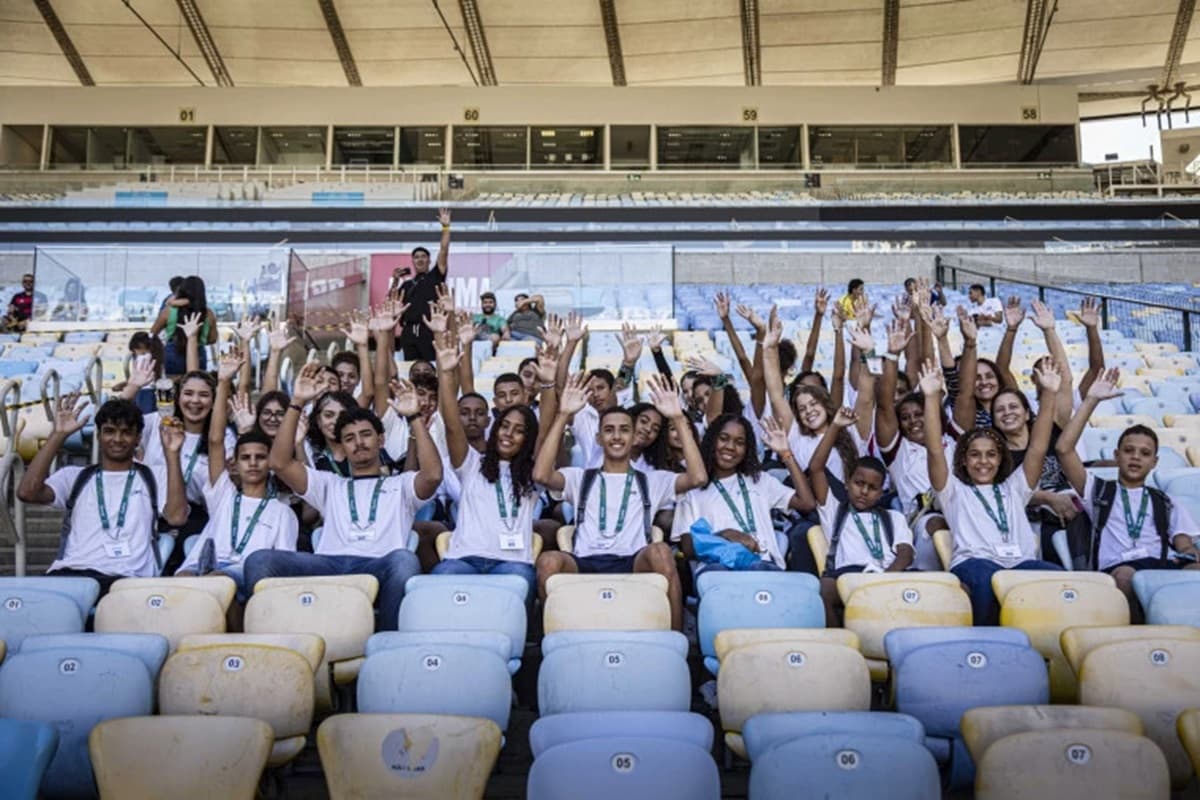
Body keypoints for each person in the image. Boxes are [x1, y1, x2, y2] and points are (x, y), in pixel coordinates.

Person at [244, 362, 442, 632]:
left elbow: (432, 476)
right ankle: (273, 639)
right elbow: (279, 463)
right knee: (259, 560)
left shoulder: (401, 485)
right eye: (349, 438)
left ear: (380, 440)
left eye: (365, 435)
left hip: (378, 563)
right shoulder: (329, 484)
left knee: (405, 560)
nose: (358, 442)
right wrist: (297, 402)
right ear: (343, 446)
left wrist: (414, 418)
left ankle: (387, 641)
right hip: (329, 563)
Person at [533, 373, 707, 632]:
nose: (617, 436)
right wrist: (562, 416)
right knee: (548, 560)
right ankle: (555, 637)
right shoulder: (580, 478)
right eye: (609, 430)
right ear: (599, 438)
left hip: (632, 560)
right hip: (586, 560)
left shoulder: (652, 480)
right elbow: (540, 475)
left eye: (624, 430)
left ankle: (675, 639)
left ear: (633, 435)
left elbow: (698, 477)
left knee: (661, 552)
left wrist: (679, 418)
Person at [918, 359, 1063, 626]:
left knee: (1058, 578)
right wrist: (930, 398)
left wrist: (1050, 393)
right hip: (975, 564)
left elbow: (1038, 447)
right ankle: (990, 640)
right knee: (988, 579)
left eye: (990, 455)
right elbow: (935, 449)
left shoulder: (1014, 487)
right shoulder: (953, 491)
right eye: (974, 455)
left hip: (1019, 563)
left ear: (1000, 459)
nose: (983, 461)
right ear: (963, 460)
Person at [1055, 370, 1200, 620]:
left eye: (1144, 453)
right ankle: (1136, 635)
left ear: (1154, 462)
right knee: (1125, 576)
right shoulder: (1098, 490)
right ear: (1116, 455)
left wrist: (1191, 552)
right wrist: (1091, 401)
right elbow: (1063, 449)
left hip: (1159, 565)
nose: (1135, 457)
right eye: (1129, 450)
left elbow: (1183, 542)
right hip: (1119, 567)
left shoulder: (1165, 500)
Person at [16, 397, 189, 594]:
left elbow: (177, 517)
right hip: (70, 574)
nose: (117, 439)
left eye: (126, 433)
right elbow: (27, 492)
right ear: (98, 435)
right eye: (109, 431)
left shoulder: (153, 475)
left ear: (138, 438)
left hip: (126, 580)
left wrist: (172, 454)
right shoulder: (74, 476)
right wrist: (58, 435)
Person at [177, 349, 298, 610]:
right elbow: (215, 440)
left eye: (260, 457)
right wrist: (222, 382)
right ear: (236, 463)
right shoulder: (223, 496)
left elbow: (283, 566)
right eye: (245, 457)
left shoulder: (282, 511)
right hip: (204, 571)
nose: (253, 463)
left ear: (271, 464)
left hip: (246, 577)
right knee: (178, 584)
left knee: (219, 584)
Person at [429, 331, 539, 594]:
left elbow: (549, 430)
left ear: (528, 438)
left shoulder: (534, 472)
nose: (509, 434)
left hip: (512, 563)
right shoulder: (472, 464)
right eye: (504, 426)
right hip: (463, 559)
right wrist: (445, 374)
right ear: (495, 428)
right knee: (437, 581)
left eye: (519, 430)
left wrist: (547, 386)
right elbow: (453, 427)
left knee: (521, 583)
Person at [810, 407, 914, 626]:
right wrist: (836, 427)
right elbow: (816, 468)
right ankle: (839, 642)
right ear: (847, 483)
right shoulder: (834, 510)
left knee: (955, 587)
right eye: (859, 484)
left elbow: (905, 554)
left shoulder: (893, 517)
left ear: (881, 492)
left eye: (873, 487)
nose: (864, 491)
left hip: (890, 574)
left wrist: (884, 580)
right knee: (824, 589)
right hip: (850, 575)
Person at [673, 413, 814, 573]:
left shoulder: (760, 480)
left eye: (739, 442)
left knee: (760, 570)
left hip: (762, 564)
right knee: (717, 573)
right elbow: (687, 547)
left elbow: (807, 503)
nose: (730, 447)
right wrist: (725, 535)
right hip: (717, 568)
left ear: (747, 449)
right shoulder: (693, 490)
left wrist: (785, 454)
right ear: (712, 441)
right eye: (724, 438)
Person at [393, 208, 452, 361]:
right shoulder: (406, 285)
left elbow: (444, 250)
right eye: (416, 257)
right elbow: (392, 303)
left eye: (423, 257)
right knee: (412, 370)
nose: (420, 259)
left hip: (429, 330)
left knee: (431, 368)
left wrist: (445, 228)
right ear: (412, 261)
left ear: (429, 260)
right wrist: (395, 281)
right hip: (408, 332)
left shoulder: (435, 276)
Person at [152, 275, 218, 376]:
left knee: (173, 387)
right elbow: (213, 339)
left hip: (172, 354)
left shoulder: (169, 311)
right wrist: (201, 338)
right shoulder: (209, 314)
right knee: (196, 384)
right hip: (198, 354)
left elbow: (153, 333)